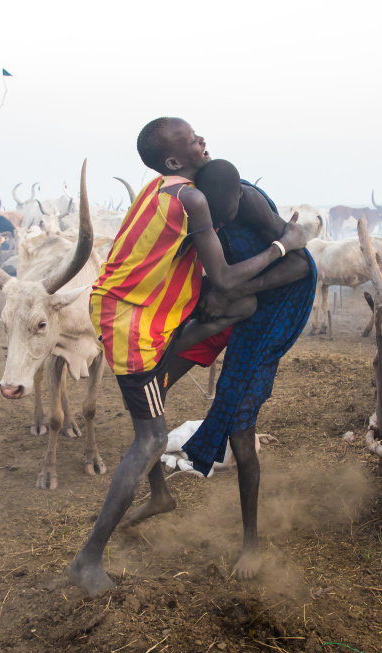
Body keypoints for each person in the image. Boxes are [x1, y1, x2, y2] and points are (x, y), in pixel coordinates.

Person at [70, 118, 307, 595]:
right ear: (175, 161)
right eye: (191, 138)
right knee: (152, 437)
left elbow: (249, 286)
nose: (202, 139)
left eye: (198, 133)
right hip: (134, 322)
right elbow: (221, 277)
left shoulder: (168, 189)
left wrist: (231, 297)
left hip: (158, 309)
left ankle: (160, 496)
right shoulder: (193, 198)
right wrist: (283, 245)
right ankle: (87, 559)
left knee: (235, 312)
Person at [120, 159, 317, 580]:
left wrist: (237, 291)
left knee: (239, 423)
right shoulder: (187, 205)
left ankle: (251, 544)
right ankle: (159, 495)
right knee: (148, 386)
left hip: (271, 311)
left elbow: (301, 264)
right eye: (215, 219)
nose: (220, 224)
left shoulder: (251, 204)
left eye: (226, 217)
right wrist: (221, 300)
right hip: (222, 307)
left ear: (240, 201)